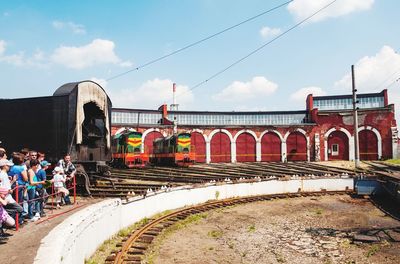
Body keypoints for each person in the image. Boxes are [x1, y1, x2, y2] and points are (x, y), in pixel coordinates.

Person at [0, 159, 23, 225]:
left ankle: (4, 215)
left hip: (7, 197)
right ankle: (4, 214)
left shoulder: (4, 174)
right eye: (8, 165)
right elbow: (1, 187)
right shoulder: (2, 174)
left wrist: (12, 181)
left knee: (19, 209)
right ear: (4, 166)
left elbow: (6, 186)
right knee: (20, 209)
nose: (9, 167)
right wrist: (8, 191)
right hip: (6, 197)